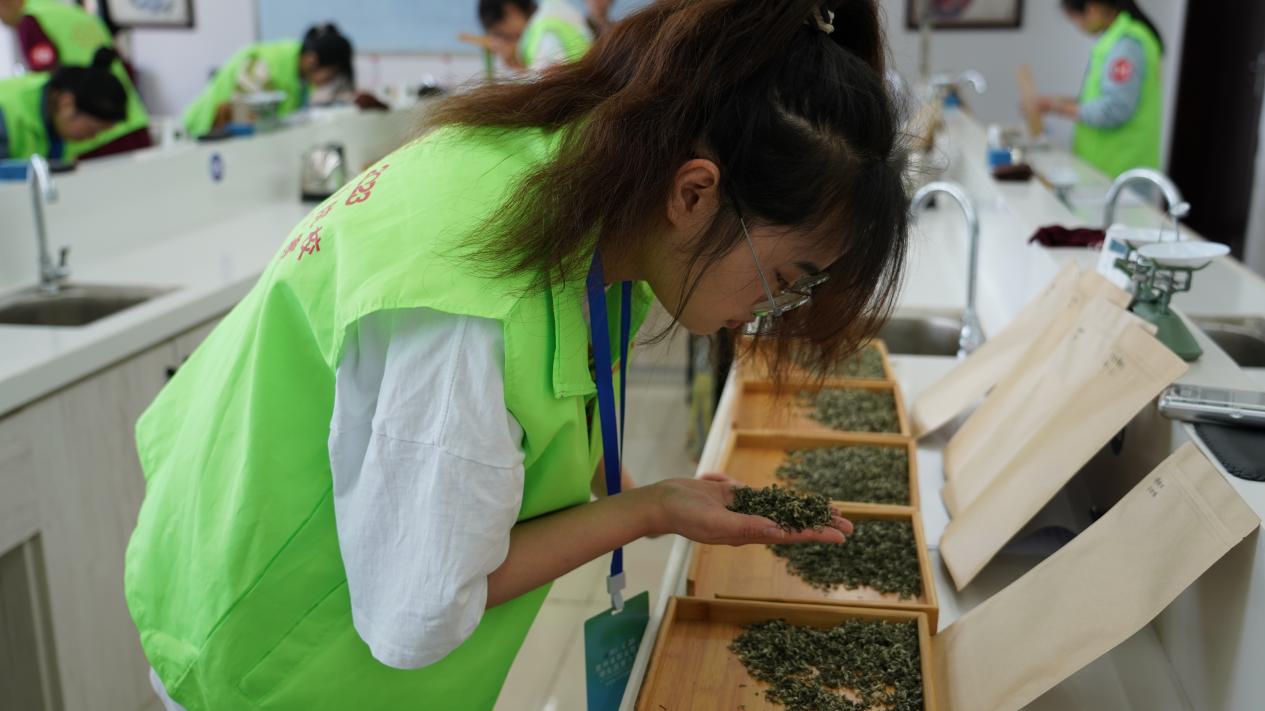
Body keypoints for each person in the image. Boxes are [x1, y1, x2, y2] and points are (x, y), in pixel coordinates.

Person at [125, 1, 909, 709]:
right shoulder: (471, 313)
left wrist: (649, 494)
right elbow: (418, 611)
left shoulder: (585, 185)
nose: (770, 312)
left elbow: (558, 401)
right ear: (694, 193)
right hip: (272, 653)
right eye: (785, 281)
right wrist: (650, 510)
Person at [0, 0, 151, 160]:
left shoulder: (31, 19)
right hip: (128, 119)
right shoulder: (76, 13)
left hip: (89, 127)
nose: (4, 22)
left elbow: (44, 71)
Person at [1032, 0, 1165, 178]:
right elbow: (1100, 97)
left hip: (1120, 166)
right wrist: (1058, 102)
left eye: (1076, 18)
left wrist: (1058, 107)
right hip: (1104, 165)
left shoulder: (1126, 45)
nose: (1078, 26)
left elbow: (1115, 109)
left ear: (1092, 9)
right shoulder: (1114, 39)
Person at [182, 23, 354, 138]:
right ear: (312, 60)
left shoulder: (300, 77)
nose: (329, 81)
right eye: (331, 74)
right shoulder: (261, 67)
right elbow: (239, 124)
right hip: (202, 132)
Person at [0, 48, 127, 160]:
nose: (92, 138)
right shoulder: (6, 113)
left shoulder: (56, 115)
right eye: (91, 130)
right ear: (67, 103)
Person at [479, 0, 593, 72]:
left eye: (500, 33)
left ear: (510, 10)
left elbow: (552, 88)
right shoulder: (555, 13)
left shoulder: (544, 33)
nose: (505, 39)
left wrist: (518, 67)